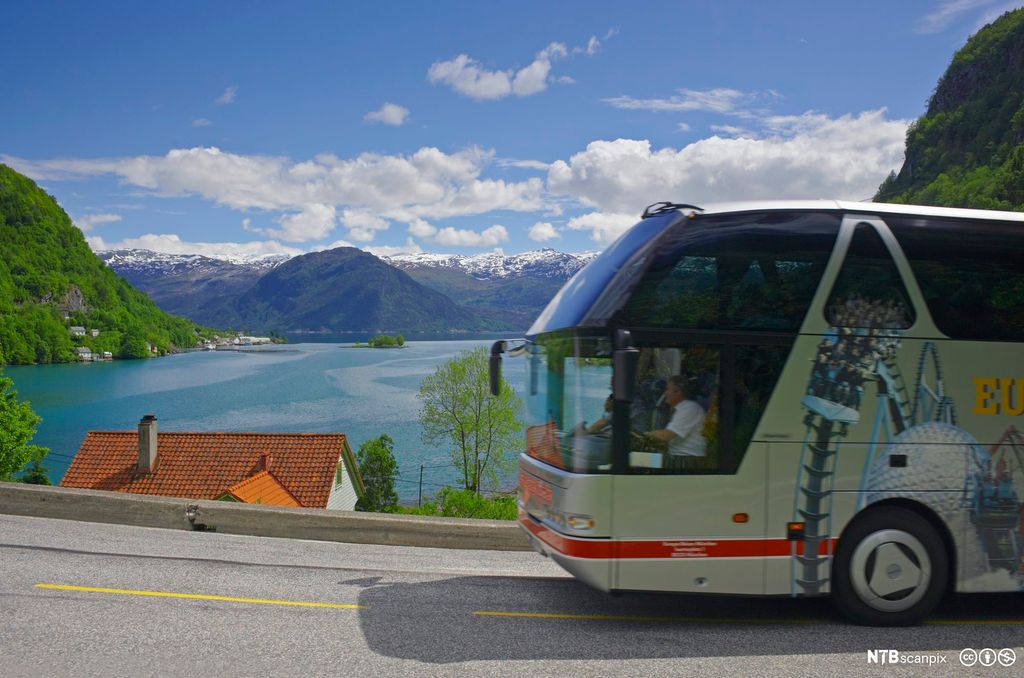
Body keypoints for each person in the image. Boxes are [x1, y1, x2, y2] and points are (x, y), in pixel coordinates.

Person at [640, 375, 706, 470]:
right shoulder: (681, 409)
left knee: (639, 461)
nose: (665, 393)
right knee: (637, 459)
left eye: (667, 389)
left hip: (685, 460)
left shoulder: (689, 408)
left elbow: (666, 436)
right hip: (676, 457)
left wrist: (648, 434)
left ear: (678, 392)